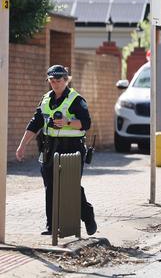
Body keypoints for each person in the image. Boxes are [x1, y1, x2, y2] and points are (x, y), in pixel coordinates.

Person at [15, 65, 97, 236]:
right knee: (50, 186)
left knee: (71, 186)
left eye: (58, 80)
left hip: (72, 148)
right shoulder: (45, 99)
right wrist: (22, 145)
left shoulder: (76, 99)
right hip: (50, 147)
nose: (55, 83)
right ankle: (52, 225)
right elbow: (35, 123)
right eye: (51, 80)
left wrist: (67, 122)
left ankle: (87, 215)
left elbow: (86, 123)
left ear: (66, 80)